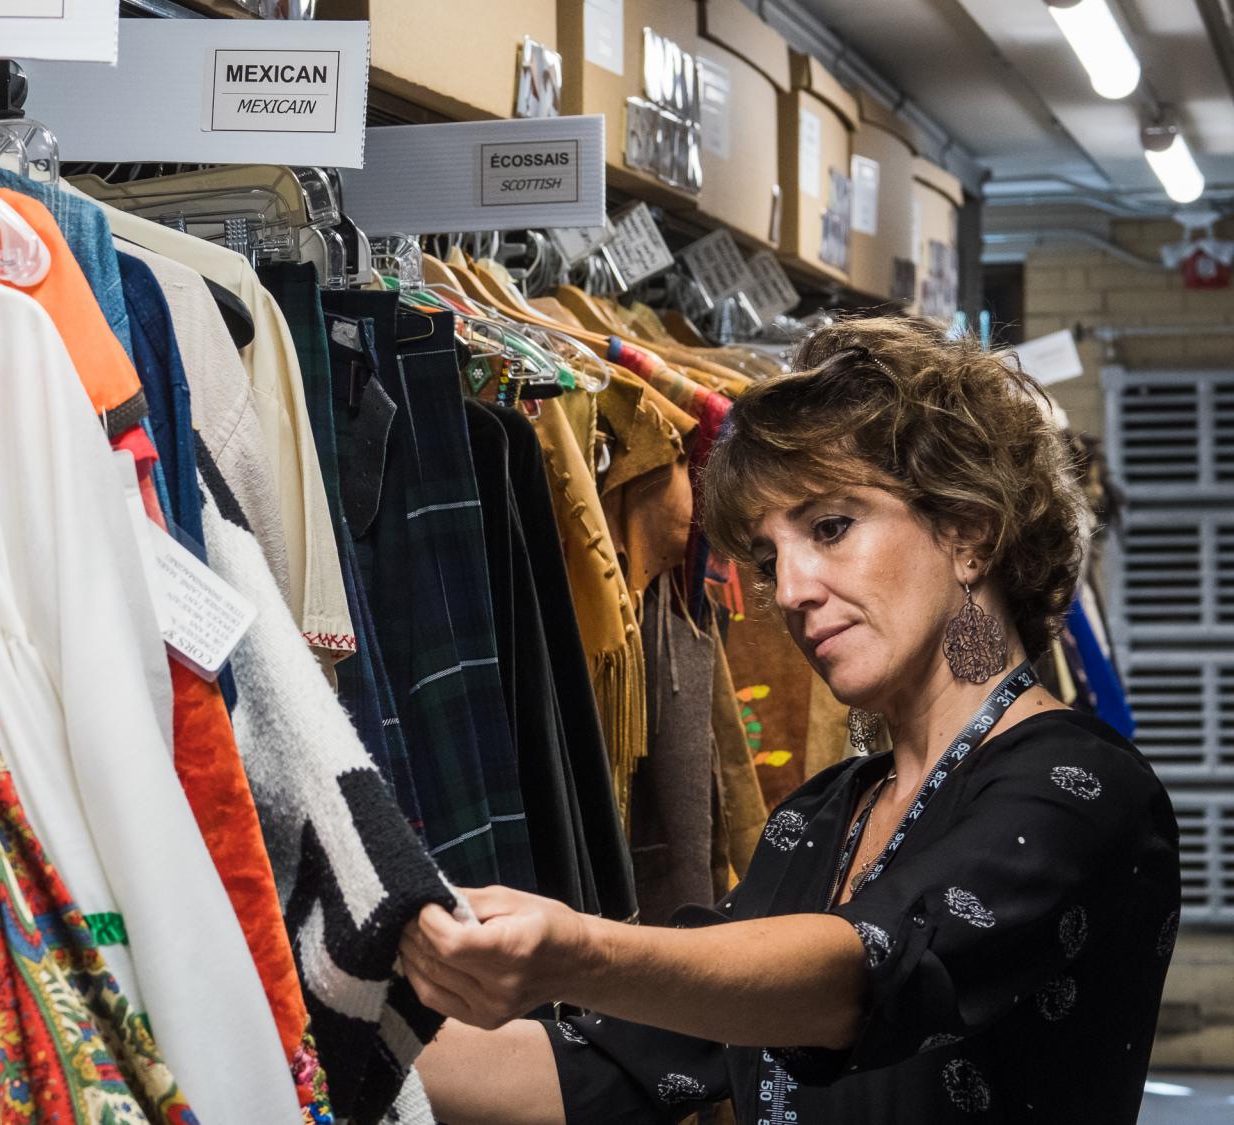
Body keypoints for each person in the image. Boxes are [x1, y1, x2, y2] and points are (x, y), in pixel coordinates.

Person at [405, 317, 1180, 1124]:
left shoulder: (1084, 793)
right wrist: (312, 1012)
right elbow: (599, 1069)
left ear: (968, 530)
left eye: (831, 527)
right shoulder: (819, 817)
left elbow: (862, 979)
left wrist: (580, 952)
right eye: (771, 560)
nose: (791, 591)